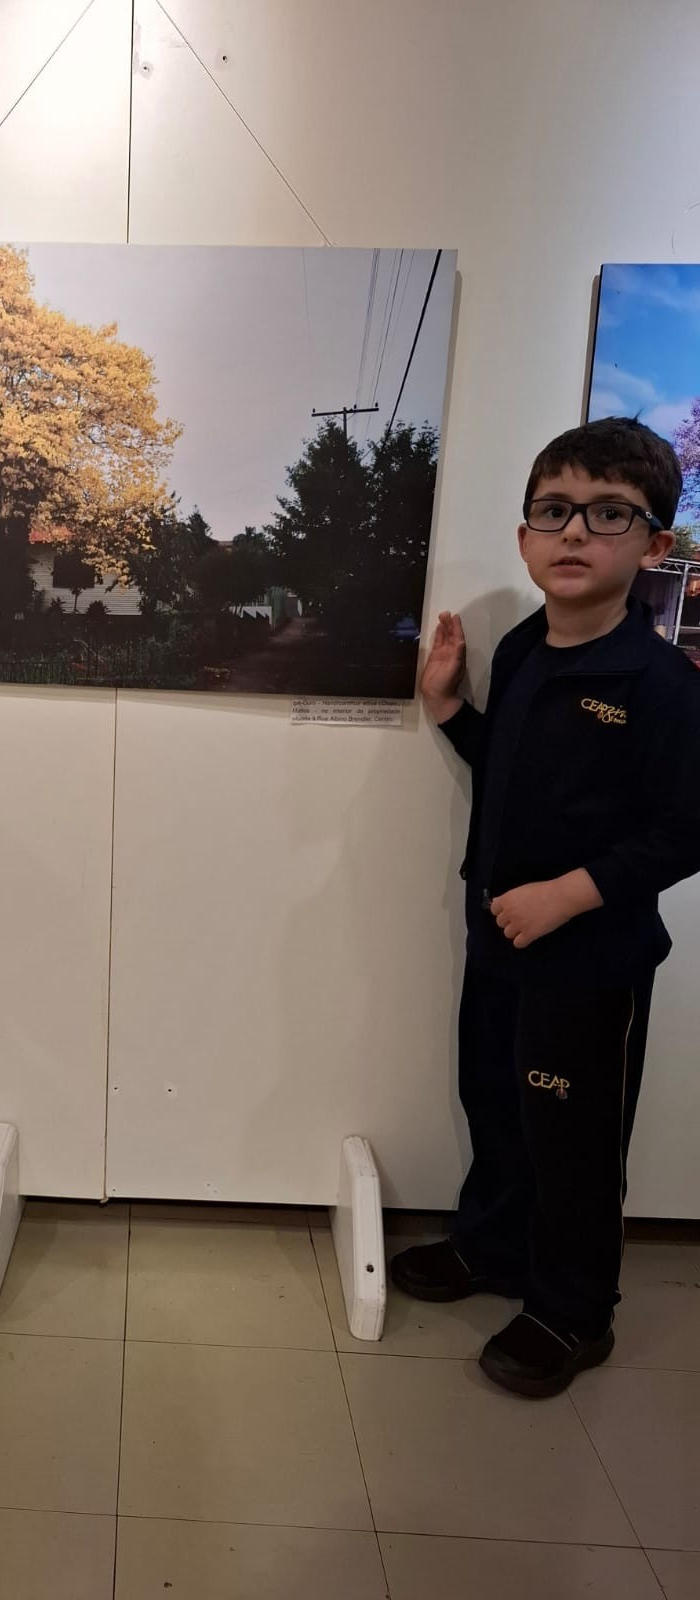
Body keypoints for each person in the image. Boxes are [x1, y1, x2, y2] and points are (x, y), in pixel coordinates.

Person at [391, 417, 700, 1397]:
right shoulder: (526, 648)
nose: (575, 532)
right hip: (498, 940)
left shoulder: (661, 685)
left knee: (573, 1139)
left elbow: (686, 829)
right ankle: (493, 1246)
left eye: (609, 514)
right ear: (525, 537)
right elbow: (512, 769)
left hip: (590, 967)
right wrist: (452, 710)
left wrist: (570, 894)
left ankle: (573, 1309)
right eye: (555, 511)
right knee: (495, 1099)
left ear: (653, 544)